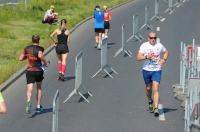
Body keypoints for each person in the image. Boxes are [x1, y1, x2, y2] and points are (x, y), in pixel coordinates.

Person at [136, 32, 169, 117]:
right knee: (148, 88)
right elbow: (138, 57)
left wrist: (163, 60)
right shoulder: (144, 46)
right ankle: (150, 100)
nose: (153, 39)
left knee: (156, 89)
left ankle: (156, 109)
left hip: (156, 70)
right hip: (146, 70)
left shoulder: (159, 45)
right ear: (148, 38)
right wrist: (147, 57)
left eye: (154, 37)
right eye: (151, 38)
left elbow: (166, 52)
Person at [19, 35, 48, 114]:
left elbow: (20, 58)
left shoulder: (26, 48)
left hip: (30, 70)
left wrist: (28, 56)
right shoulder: (40, 48)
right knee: (39, 88)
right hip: (38, 70)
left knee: (29, 89)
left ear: (32, 40)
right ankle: (38, 106)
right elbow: (40, 55)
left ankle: (28, 101)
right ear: (39, 40)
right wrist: (45, 63)